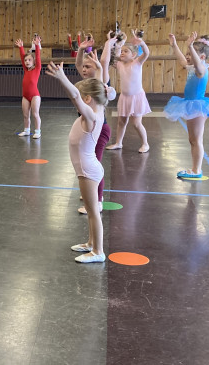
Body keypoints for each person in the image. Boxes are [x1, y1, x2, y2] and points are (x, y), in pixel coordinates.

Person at [46, 62, 108, 263]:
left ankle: (98, 251)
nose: (77, 102)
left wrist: (62, 77)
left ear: (88, 99)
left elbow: (74, 95)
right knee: (91, 212)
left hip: (88, 171)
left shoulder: (90, 116)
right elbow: (95, 90)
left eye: (82, 98)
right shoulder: (97, 111)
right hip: (88, 169)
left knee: (93, 213)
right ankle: (90, 243)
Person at [165, 33, 209, 178]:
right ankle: (195, 168)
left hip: (197, 106)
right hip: (190, 104)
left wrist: (190, 45)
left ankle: (197, 170)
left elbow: (196, 65)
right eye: (188, 53)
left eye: (191, 54)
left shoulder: (201, 70)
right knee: (193, 140)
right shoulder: (192, 67)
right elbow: (183, 62)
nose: (188, 56)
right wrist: (174, 45)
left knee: (196, 140)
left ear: (202, 57)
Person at [73, 40, 114, 215]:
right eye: (83, 67)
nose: (84, 69)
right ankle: (91, 192)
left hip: (100, 130)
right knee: (90, 165)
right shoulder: (86, 84)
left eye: (87, 67)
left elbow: (103, 68)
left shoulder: (99, 83)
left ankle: (98, 201)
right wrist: (81, 49)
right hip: (89, 130)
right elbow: (77, 63)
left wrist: (99, 66)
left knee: (93, 165)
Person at [105, 30, 151, 153]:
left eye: (126, 51)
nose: (123, 53)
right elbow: (114, 56)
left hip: (136, 97)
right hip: (124, 97)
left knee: (136, 123)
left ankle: (145, 144)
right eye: (122, 51)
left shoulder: (137, 63)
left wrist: (141, 42)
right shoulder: (120, 64)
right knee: (121, 121)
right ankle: (118, 142)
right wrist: (117, 45)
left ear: (134, 55)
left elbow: (146, 53)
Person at [15, 36, 42, 138]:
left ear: (33, 61)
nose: (27, 62)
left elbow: (38, 57)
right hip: (25, 96)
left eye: (29, 60)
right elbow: (22, 57)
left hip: (35, 95)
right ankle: (26, 130)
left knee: (35, 114)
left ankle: (38, 131)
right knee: (26, 115)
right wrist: (21, 47)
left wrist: (37, 45)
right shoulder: (26, 70)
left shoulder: (37, 69)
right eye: (26, 60)